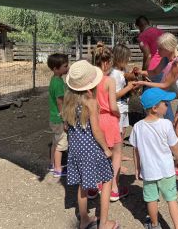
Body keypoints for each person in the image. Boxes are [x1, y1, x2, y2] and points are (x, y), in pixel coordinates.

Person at [135, 33, 178, 176]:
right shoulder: (166, 57)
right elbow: (155, 72)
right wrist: (141, 72)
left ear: (168, 48)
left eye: (160, 48)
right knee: (176, 126)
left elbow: (165, 85)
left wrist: (143, 82)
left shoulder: (177, 63)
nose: (157, 51)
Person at [63, 59, 119, 229]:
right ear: (90, 86)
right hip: (92, 149)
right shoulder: (91, 103)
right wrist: (106, 149)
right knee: (108, 179)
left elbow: (66, 127)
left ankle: (85, 219)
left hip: (75, 149)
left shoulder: (68, 102)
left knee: (82, 184)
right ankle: (104, 223)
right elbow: (96, 131)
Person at [130, 87, 178, 229]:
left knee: (151, 199)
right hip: (166, 170)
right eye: (165, 103)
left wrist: (137, 168)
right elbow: (174, 145)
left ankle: (154, 224)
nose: (167, 105)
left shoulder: (137, 127)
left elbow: (136, 150)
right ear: (155, 108)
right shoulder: (166, 124)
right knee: (171, 199)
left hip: (148, 171)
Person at [94, 43, 129, 202]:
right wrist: (116, 115)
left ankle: (95, 187)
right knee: (116, 153)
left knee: (98, 152)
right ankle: (114, 188)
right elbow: (114, 105)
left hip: (95, 119)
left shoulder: (91, 80)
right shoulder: (109, 81)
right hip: (109, 119)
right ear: (108, 62)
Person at [135, 16, 174, 122]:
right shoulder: (160, 32)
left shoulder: (143, 36)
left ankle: (147, 124)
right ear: (148, 22)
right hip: (165, 66)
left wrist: (144, 73)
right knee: (164, 96)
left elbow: (147, 55)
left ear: (139, 26)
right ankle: (170, 122)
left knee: (146, 97)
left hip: (154, 68)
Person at [110, 44, 136, 163]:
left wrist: (132, 74)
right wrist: (129, 87)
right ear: (119, 58)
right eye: (127, 57)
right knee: (117, 133)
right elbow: (113, 96)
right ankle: (114, 157)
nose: (128, 60)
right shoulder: (113, 74)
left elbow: (125, 77)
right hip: (118, 106)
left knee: (123, 131)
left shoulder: (121, 70)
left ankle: (119, 155)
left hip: (124, 105)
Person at [47, 53, 69, 178]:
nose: (67, 68)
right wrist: (65, 120)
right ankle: (58, 169)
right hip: (59, 118)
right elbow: (60, 103)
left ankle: (52, 165)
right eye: (65, 66)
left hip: (53, 117)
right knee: (61, 144)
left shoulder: (55, 79)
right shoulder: (58, 84)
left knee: (55, 141)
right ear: (56, 68)